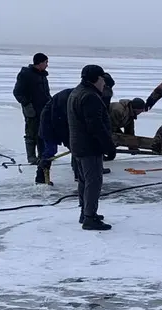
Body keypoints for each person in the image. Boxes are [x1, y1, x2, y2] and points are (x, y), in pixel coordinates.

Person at [67, 65, 116, 231]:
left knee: (83, 181)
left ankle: (85, 211)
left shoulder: (77, 92)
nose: (104, 82)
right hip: (89, 147)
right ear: (95, 79)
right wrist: (108, 146)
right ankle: (89, 217)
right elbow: (95, 126)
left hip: (78, 145)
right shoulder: (90, 97)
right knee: (93, 182)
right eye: (102, 79)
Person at [13, 53, 51, 164]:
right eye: (45, 62)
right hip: (31, 110)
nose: (47, 65)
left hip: (43, 109)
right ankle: (31, 157)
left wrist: (51, 103)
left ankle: (42, 155)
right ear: (39, 63)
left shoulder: (42, 75)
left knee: (42, 133)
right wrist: (27, 105)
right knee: (31, 133)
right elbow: (17, 92)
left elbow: (45, 93)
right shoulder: (25, 74)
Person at [36, 88, 72, 185]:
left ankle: (78, 174)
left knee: (74, 147)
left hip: (56, 123)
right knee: (50, 151)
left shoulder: (74, 95)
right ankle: (41, 178)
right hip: (49, 125)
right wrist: (68, 142)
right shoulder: (67, 99)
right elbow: (61, 124)